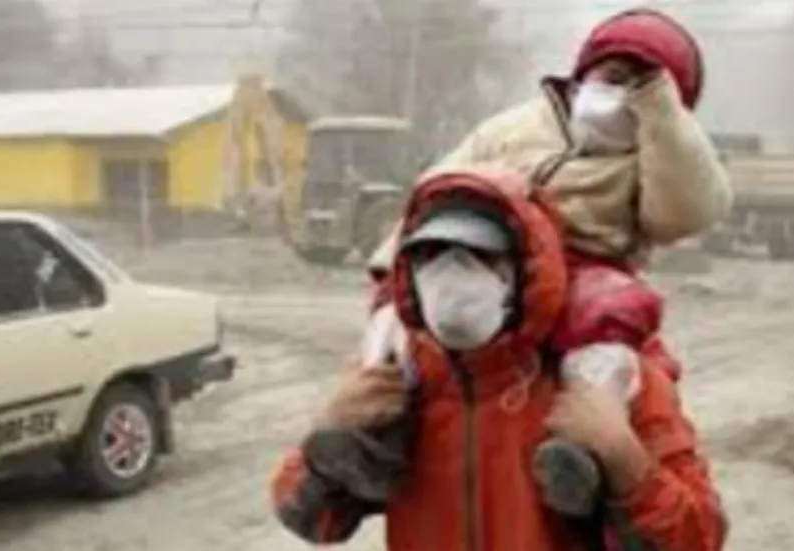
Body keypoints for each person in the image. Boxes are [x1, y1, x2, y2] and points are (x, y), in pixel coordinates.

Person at [352, 6, 732, 519]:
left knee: (610, 330)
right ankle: (371, 436)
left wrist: (659, 115)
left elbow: (687, 211)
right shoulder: (516, 127)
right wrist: (393, 268)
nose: (621, 92)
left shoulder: (653, 161)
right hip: (493, 252)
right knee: (405, 319)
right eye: (611, 75)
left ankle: (582, 456)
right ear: (581, 73)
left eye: (642, 84)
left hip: (585, 270)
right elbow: (438, 186)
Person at [271, 167, 726, 551]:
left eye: (479, 256)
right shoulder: (393, 379)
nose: (452, 275)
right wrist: (326, 435)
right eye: (431, 255)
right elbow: (311, 521)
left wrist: (624, 459)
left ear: (524, 268)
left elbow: (699, 537)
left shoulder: (605, 381)